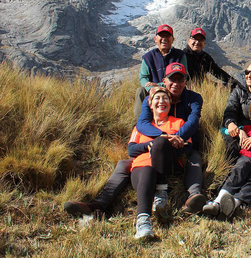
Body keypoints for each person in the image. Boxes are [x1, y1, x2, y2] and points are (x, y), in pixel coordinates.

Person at [64, 63, 205, 218]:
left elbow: (192, 126)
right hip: (146, 158)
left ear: (185, 82)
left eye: (180, 79)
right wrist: (159, 139)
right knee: (124, 164)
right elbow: (138, 131)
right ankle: (99, 204)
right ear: (164, 81)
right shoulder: (148, 107)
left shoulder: (186, 110)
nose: (176, 84)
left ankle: (192, 196)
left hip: (172, 156)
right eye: (172, 79)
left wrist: (170, 141)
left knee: (194, 157)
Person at [129, 86, 190, 239]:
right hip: (141, 168)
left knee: (161, 144)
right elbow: (131, 150)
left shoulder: (178, 123)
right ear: (150, 104)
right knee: (148, 170)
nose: (161, 101)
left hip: (168, 165)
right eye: (157, 98)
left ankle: (161, 192)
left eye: (165, 98)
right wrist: (149, 145)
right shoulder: (140, 126)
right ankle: (143, 223)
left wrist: (167, 144)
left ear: (170, 103)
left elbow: (187, 146)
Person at [133, 24, 188, 119]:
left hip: (173, 88)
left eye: (167, 36)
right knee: (140, 91)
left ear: (173, 39)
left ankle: (181, 121)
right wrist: (151, 88)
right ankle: (138, 124)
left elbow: (185, 76)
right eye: (161, 36)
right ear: (155, 39)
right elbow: (143, 78)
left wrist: (159, 85)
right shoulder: (148, 57)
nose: (164, 39)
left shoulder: (180, 55)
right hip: (153, 91)